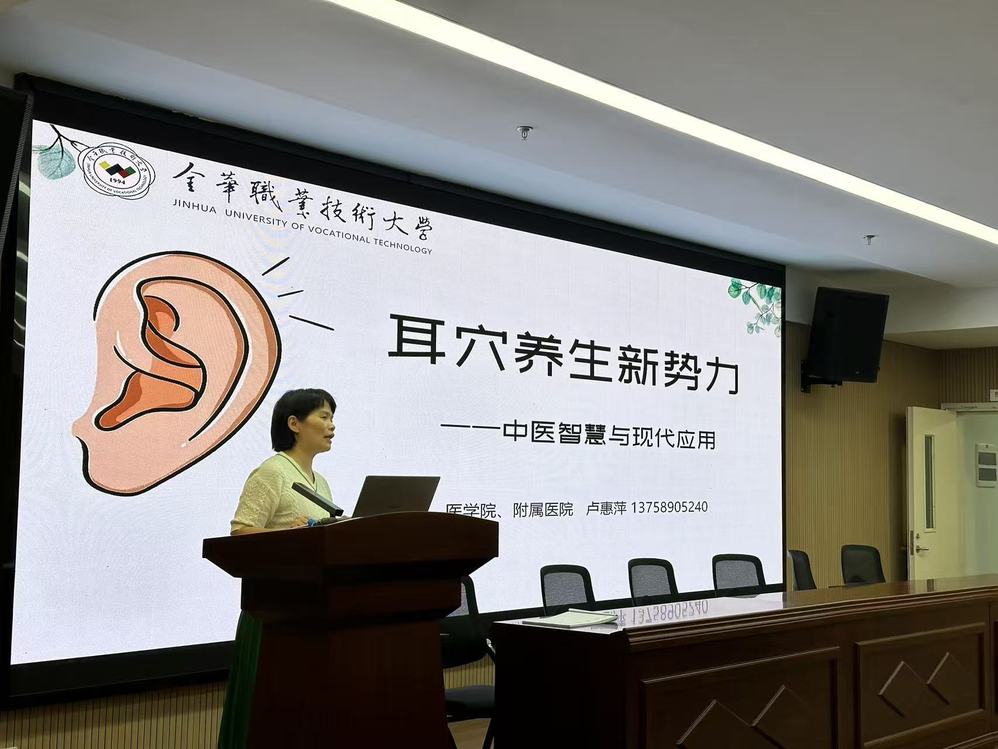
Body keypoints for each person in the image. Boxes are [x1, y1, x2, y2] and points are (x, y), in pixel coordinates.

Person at [217, 388, 337, 748]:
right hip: (275, 614)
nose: (332, 425)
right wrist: (288, 534)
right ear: (294, 424)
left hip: (312, 612)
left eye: (332, 417)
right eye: (324, 417)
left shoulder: (321, 482)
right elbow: (241, 532)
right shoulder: (272, 472)